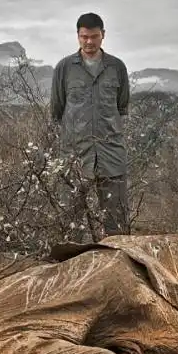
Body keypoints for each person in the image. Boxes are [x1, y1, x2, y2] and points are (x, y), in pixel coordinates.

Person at [50, 12, 131, 236]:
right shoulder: (64, 68)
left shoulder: (117, 67)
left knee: (117, 220)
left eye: (94, 36)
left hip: (111, 152)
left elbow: (121, 107)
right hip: (75, 154)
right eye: (84, 36)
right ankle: (71, 265)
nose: (89, 42)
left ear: (103, 35)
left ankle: (119, 266)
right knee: (71, 220)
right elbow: (57, 110)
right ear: (77, 36)